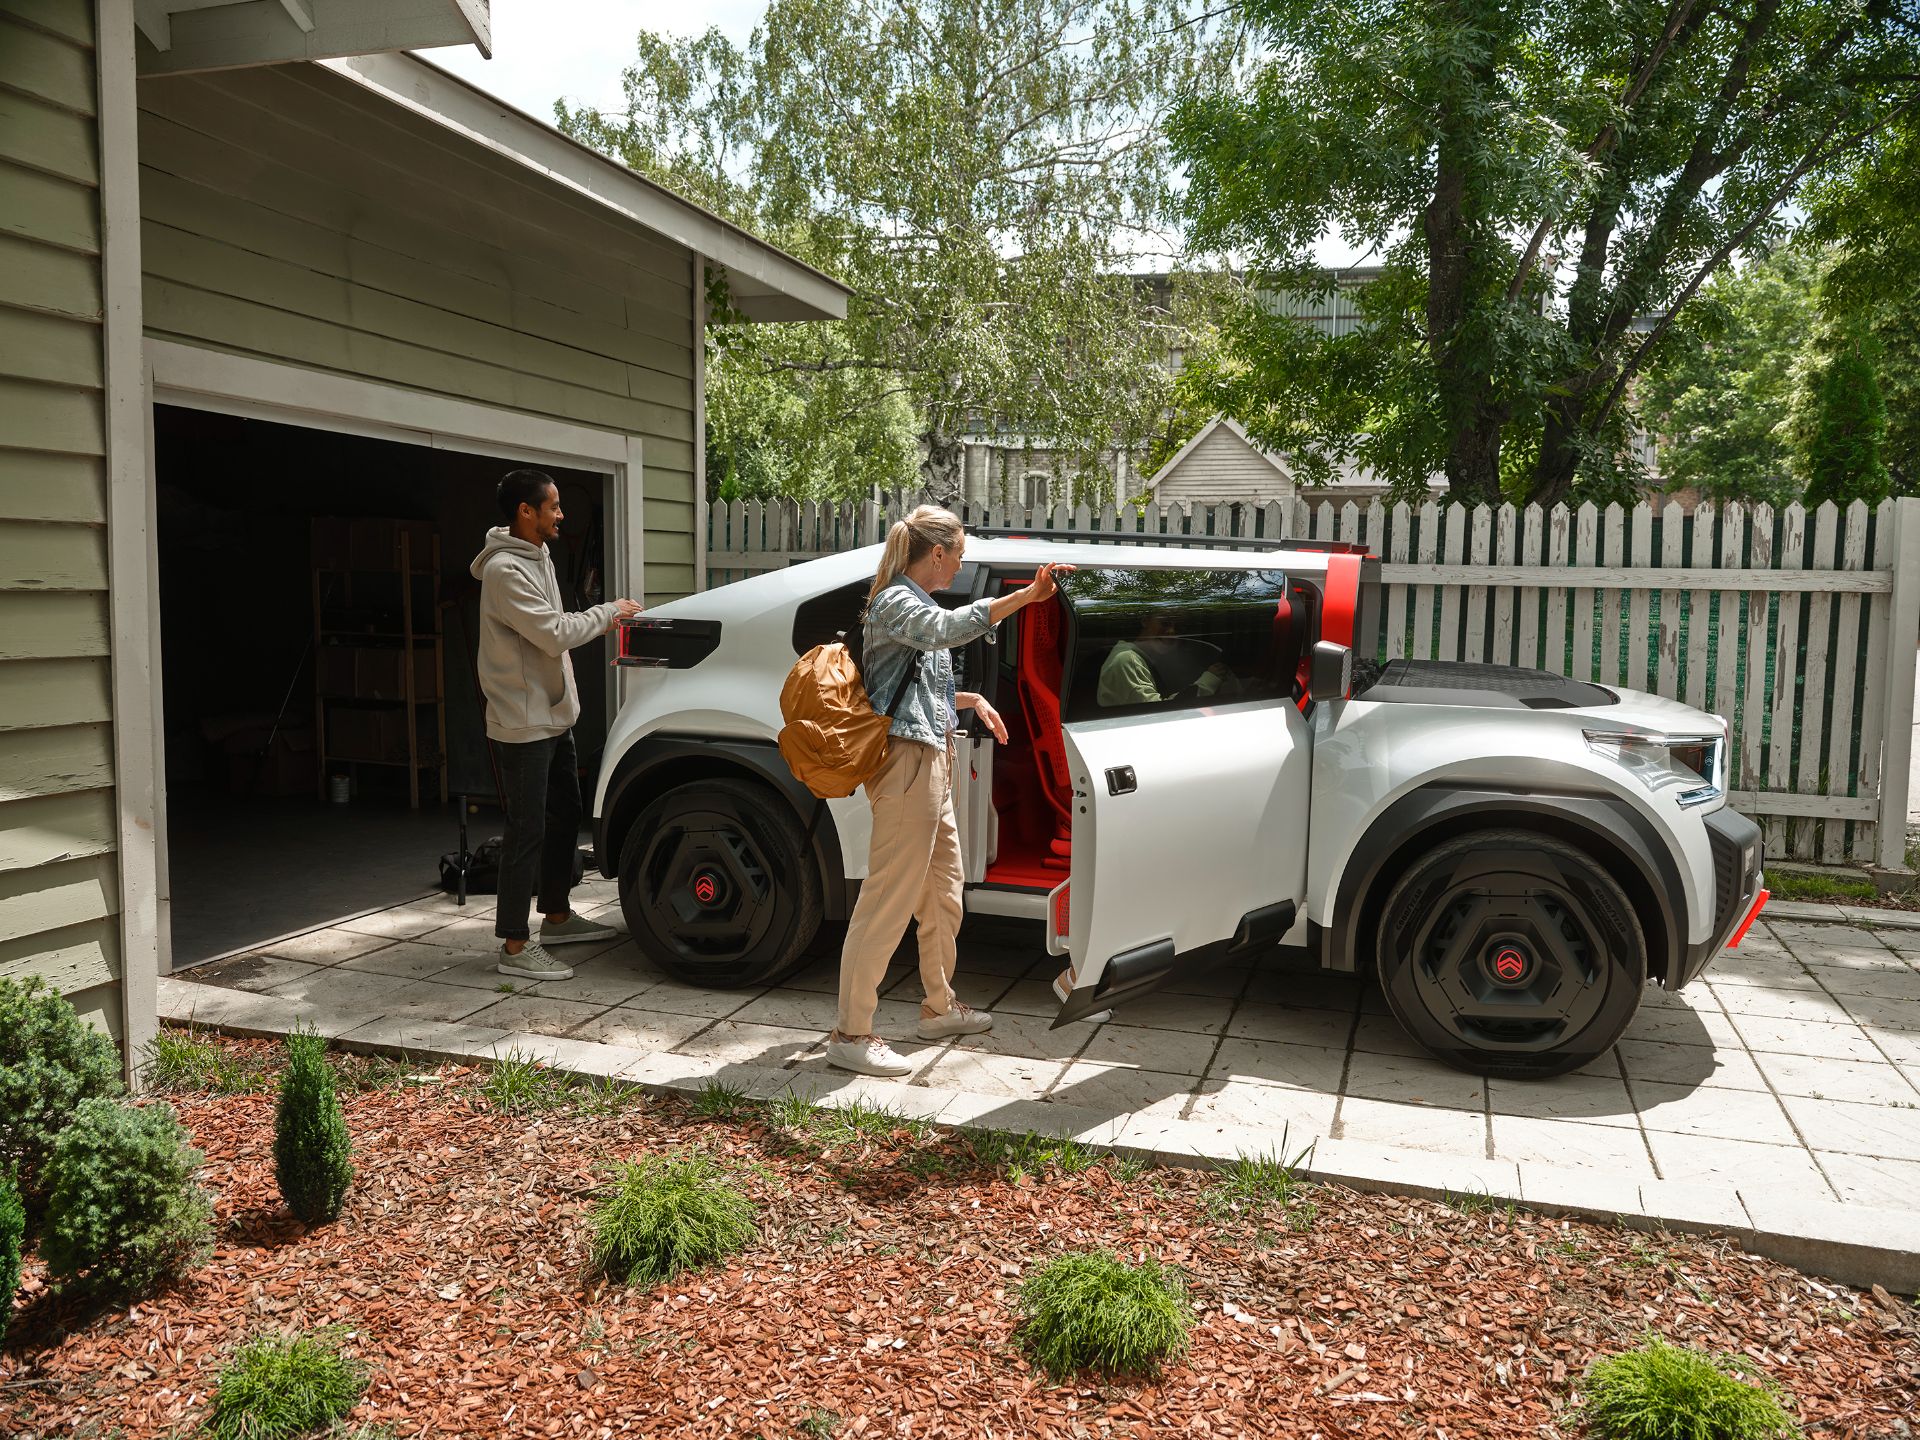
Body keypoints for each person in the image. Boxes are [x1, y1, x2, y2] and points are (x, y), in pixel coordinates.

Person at [826, 506, 1072, 1077]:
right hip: (907, 766)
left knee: (944, 892)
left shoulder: (916, 603)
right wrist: (1024, 600)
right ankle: (850, 1031)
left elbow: (908, 681)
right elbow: (945, 631)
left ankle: (938, 1007)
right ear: (937, 553)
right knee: (887, 899)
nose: (962, 562)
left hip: (932, 762)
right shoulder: (896, 601)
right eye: (959, 552)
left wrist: (971, 701)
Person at [472, 469, 643, 981]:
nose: (561, 515)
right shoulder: (505, 571)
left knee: (565, 815)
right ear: (526, 511)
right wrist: (610, 613)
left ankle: (558, 917)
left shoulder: (539, 555)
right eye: (553, 507)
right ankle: (515, 948)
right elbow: (552, 633)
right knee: (526, 830)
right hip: (523, 722)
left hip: (553, 716)